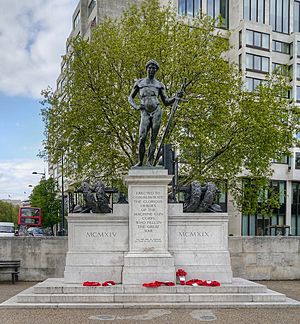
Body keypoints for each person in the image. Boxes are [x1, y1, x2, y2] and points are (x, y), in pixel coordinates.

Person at [128, 59, 182, 166]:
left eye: (154, 68)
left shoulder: (159, 85)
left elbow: (166, 101)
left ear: (156, 70)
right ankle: (140, 162)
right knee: (142, 137)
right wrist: (136, 106)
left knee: (153, 138)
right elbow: (130, 98)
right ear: (147, 69)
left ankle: (149, 162)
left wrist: (176, 97)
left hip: (156, 111)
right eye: (149, 68)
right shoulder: (139, 83)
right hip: (144, 112)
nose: (151, 70)